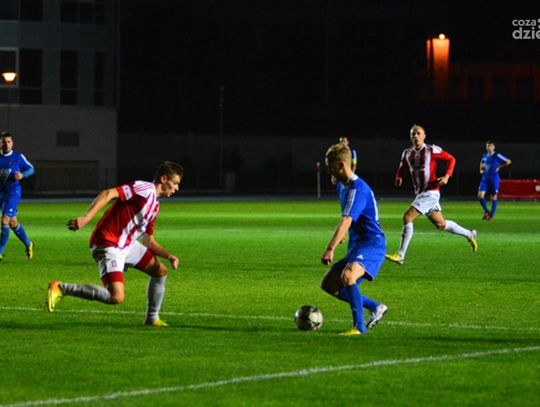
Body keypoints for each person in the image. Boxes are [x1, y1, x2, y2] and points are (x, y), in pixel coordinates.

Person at [46, 161, 183, 327]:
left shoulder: (154, 206)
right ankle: (61, 288)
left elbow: (149, 241)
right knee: (116, 297)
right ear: (164, 179)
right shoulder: (144, 189)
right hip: (108, 243)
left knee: (160, 271)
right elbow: (109, 193)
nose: (177, 188)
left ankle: (152, 319)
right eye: (175, 183)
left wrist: (169, 256)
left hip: (127, 245)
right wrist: (87, 218)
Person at [385, 124, 478, 266]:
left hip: (431, 192)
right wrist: (399, 177)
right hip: (421, 193)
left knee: (407, 217)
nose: (416, 136)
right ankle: (469, 234)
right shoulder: (407, 153)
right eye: (413, 134)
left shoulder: (431, 150)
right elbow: (402, 167)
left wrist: (446, 176)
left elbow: (451, 159)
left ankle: (400, 255)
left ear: (424, 136)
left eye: (418, 133)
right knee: (441, 224)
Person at [321, 143, 388, 336]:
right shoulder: (342, 186)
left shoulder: (358, 190)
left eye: (330, 166)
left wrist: (330, 248)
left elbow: (347, 220)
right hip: (357, 245)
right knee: (329, 285)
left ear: (341, 165)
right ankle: (376, 306)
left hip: (372, 244)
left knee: (348, 276)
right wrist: (343, 236)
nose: (328, 170)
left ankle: (359, 327)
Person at [0, 131, 35, 261]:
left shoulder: (18, 157)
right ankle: (29, 244)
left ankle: (0, 251)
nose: (6, 144)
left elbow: (31, 169)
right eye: (3, 142)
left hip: (13, 193)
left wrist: (22, 175)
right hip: (1, 194)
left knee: (4, 220)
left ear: (12, 143)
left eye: (8, 141)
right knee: (13, 223)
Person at [478, 141, 511, 221]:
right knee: (480, 196)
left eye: (490, 146)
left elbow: (508, 161)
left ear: (493, 147)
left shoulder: (497, 155)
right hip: (485, 178)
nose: (489, 147)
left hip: (494, 179)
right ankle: (486, 211)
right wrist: (481, 169)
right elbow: (482, 162)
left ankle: (491, 216)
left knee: (493, 197)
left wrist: (499, 167)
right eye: (487, 146)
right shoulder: (484, 155)